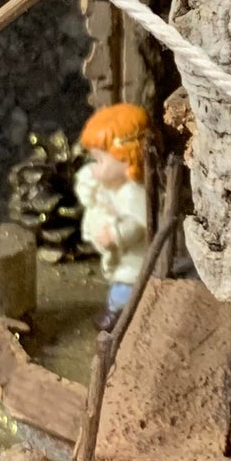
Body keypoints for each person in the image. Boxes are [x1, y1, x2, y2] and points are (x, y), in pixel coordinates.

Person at [73, 103, 151, 321]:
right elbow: (88, 188)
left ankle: (118, 315)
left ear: (126, 159)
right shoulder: (112, 186)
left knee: (125, 288)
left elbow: (138, 224)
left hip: (133, 261)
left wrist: (115, 234)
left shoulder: (132, 193)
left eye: (99, 160)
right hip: (121, 260)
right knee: (119, 284)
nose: (94, 167)